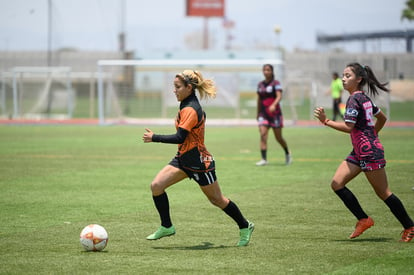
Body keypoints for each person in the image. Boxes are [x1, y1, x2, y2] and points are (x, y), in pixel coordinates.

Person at [142, 70, 254, 246]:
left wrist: (155, 137)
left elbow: (180, 138)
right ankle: (167, 226)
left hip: (199, 162)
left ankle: (245, 225)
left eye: (178, 87)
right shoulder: (186, 104)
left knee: (217, 200)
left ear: (189, 87)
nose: (174, 90)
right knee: (156, 186)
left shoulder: (191, 109)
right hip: (183, 159)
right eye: (174, 87)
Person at [314, 62, 414, 242]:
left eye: (348, 76)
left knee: (383, 193)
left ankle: (409, 226)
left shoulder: (354, 99)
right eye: (343, 76)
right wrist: (372, 134)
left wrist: (326, 121)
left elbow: (348, 126)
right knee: (337, 183)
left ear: (359, 79)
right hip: (359, 150)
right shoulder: (364, 98)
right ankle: (363, 219)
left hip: (369, 152)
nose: (344, 79)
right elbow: (382, 118)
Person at [256, 64, 291, 166]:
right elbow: (259, 99)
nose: (266, 72)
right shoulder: (260, 85)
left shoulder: (276, 83)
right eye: (264, 70)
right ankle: (264, 159)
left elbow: (279, 96)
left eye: (268, 70)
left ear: (272, 71)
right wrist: (257, 113)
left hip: (275, 114)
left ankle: (287, 153)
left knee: (278, 137)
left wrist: (274, 105)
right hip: (263, 114)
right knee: (263, 135)